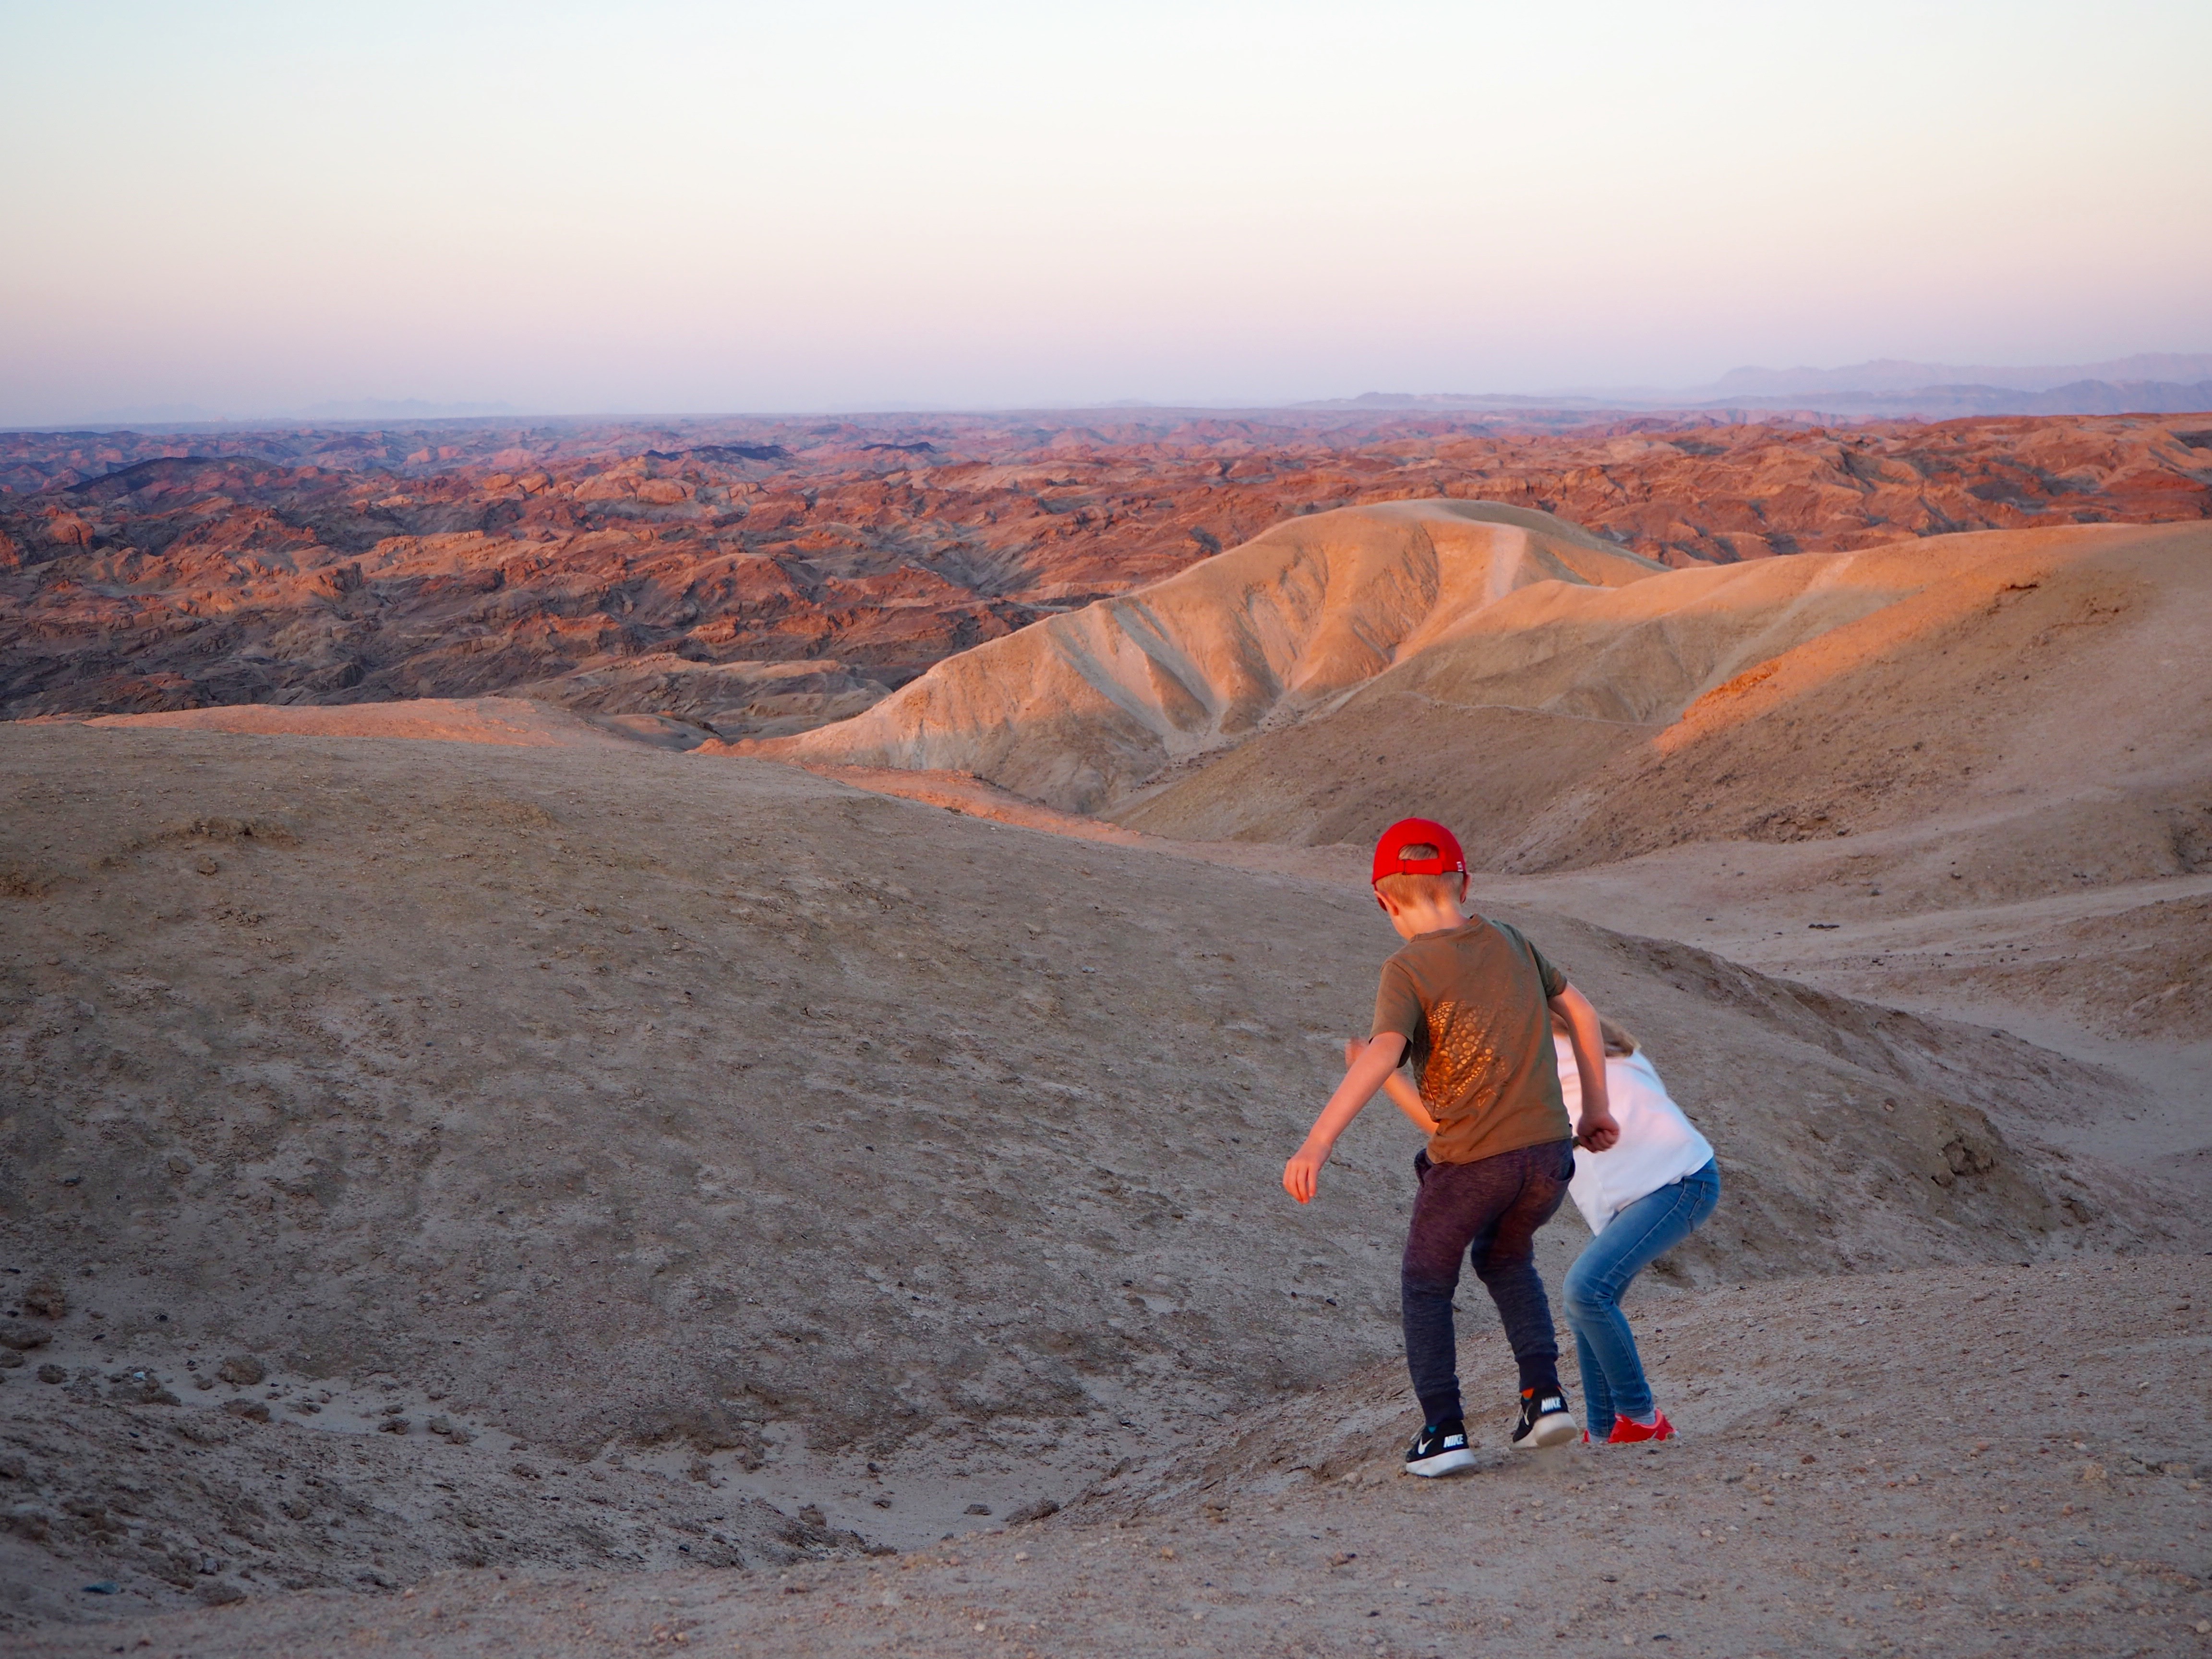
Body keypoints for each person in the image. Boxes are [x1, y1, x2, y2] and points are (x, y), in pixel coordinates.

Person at [1283, 817, 1619, 1477]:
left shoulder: (1407, 968)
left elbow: (1384, 1053)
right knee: (1506, 1255)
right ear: (1466, 881)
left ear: (1383, 901)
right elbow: (1581, 1012)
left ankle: (1444, 1431)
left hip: (1473, 1164)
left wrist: (1317, 1142)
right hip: (1550, 1157)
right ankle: (1544, 1398)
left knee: (1426, 1283)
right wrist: (1597, 1110)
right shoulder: (1514, 941)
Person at [1549, 1011, 1719, 1443]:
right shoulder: (1589, 1043)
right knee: (1584, 1303)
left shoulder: (1556, 1053)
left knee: (1586, 1291)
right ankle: (1606, 1432)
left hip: (1676, 1183)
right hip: (1647, 1189)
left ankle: (1642, 1418)